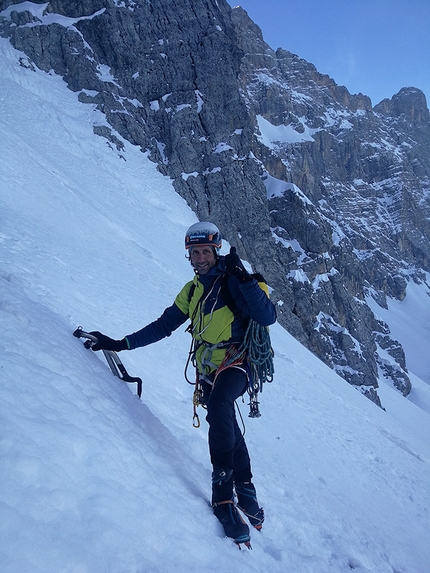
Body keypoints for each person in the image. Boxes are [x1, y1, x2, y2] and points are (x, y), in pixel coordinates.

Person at [89, 221, 277, 545]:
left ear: (216, 251)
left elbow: (266, 316)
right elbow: (164, 325)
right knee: (225, 418)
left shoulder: (236, 282)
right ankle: (247, 493)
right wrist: (120, 344)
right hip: (210, 369)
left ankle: (223, 496)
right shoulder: (192, 291)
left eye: (206, 251)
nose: (201, 257)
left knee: (220, 407)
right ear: (188, 255)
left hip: (239, 363)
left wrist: (244, 277)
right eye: (195, 252)